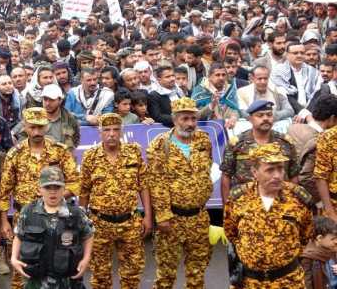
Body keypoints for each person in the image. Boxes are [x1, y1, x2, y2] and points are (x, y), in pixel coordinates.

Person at [0, 107, 80, 289]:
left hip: (56, 217)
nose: (36, 132)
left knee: (56, 263)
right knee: (21, 267)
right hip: (24, 219)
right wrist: (4, 221)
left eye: (40, 127)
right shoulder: (15, 154)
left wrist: (58, 195)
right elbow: (4, 191)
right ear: (25, 127)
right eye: (32, 127)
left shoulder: (59, 151)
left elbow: (75, 183)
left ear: (47, 127)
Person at [224, 143, 314, 289]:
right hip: (249, 282)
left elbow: (305, 235)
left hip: (288, 281)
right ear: (255, 172)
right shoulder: (238, 199)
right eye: (270, 170)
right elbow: (232, 234)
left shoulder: (298, 198)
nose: (277, 175)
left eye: (280, 169)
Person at [146, 97, 213, 288]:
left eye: (193, 119)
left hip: (199, 218)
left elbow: (207, 171)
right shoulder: (160, 145)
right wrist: (163, 216)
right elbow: (156, 183)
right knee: (166, 275)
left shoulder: (204, 141)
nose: (190, 124)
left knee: (197, 272)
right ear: (175, 120)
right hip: (172, 219)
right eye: (185, 119)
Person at [79, 113, 152, 288]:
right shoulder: (91, 156)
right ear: (100, 132)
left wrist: (148, 216)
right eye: (107, 130)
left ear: (121, 132)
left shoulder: (133, 152)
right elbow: (84, 191)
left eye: (115, 130)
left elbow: (143, 185)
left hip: (129, 222)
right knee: (100, 276)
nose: (111, 134)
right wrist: (82, 222)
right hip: (100, 223)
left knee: (132, 275)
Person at [10, 166, 94, 289]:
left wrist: (86, 259)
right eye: (47, 187)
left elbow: (89, 234)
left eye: (57, 187)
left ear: (64, 189)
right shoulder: (28, 211)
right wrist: (13, 258)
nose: (52, 191)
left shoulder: (76, 213)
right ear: (39, 189)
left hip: (68, 281)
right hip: (37, 281)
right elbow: (19, 236)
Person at [221, 100, 300, 205]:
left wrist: (293, 203)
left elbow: (294, 175)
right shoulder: (236, 143)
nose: (266, 118)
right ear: (250, 119)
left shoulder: (286, 142)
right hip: (245, 204)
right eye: (260, 115)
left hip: (279, 203)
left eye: (269, 115)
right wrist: (227, 207)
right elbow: (226, 176)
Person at [301, 216, 337, 289]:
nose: (336, 241)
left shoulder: (332, 248)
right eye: (333, 239)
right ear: (319, 238)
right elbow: (307, 283)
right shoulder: (308, 258)